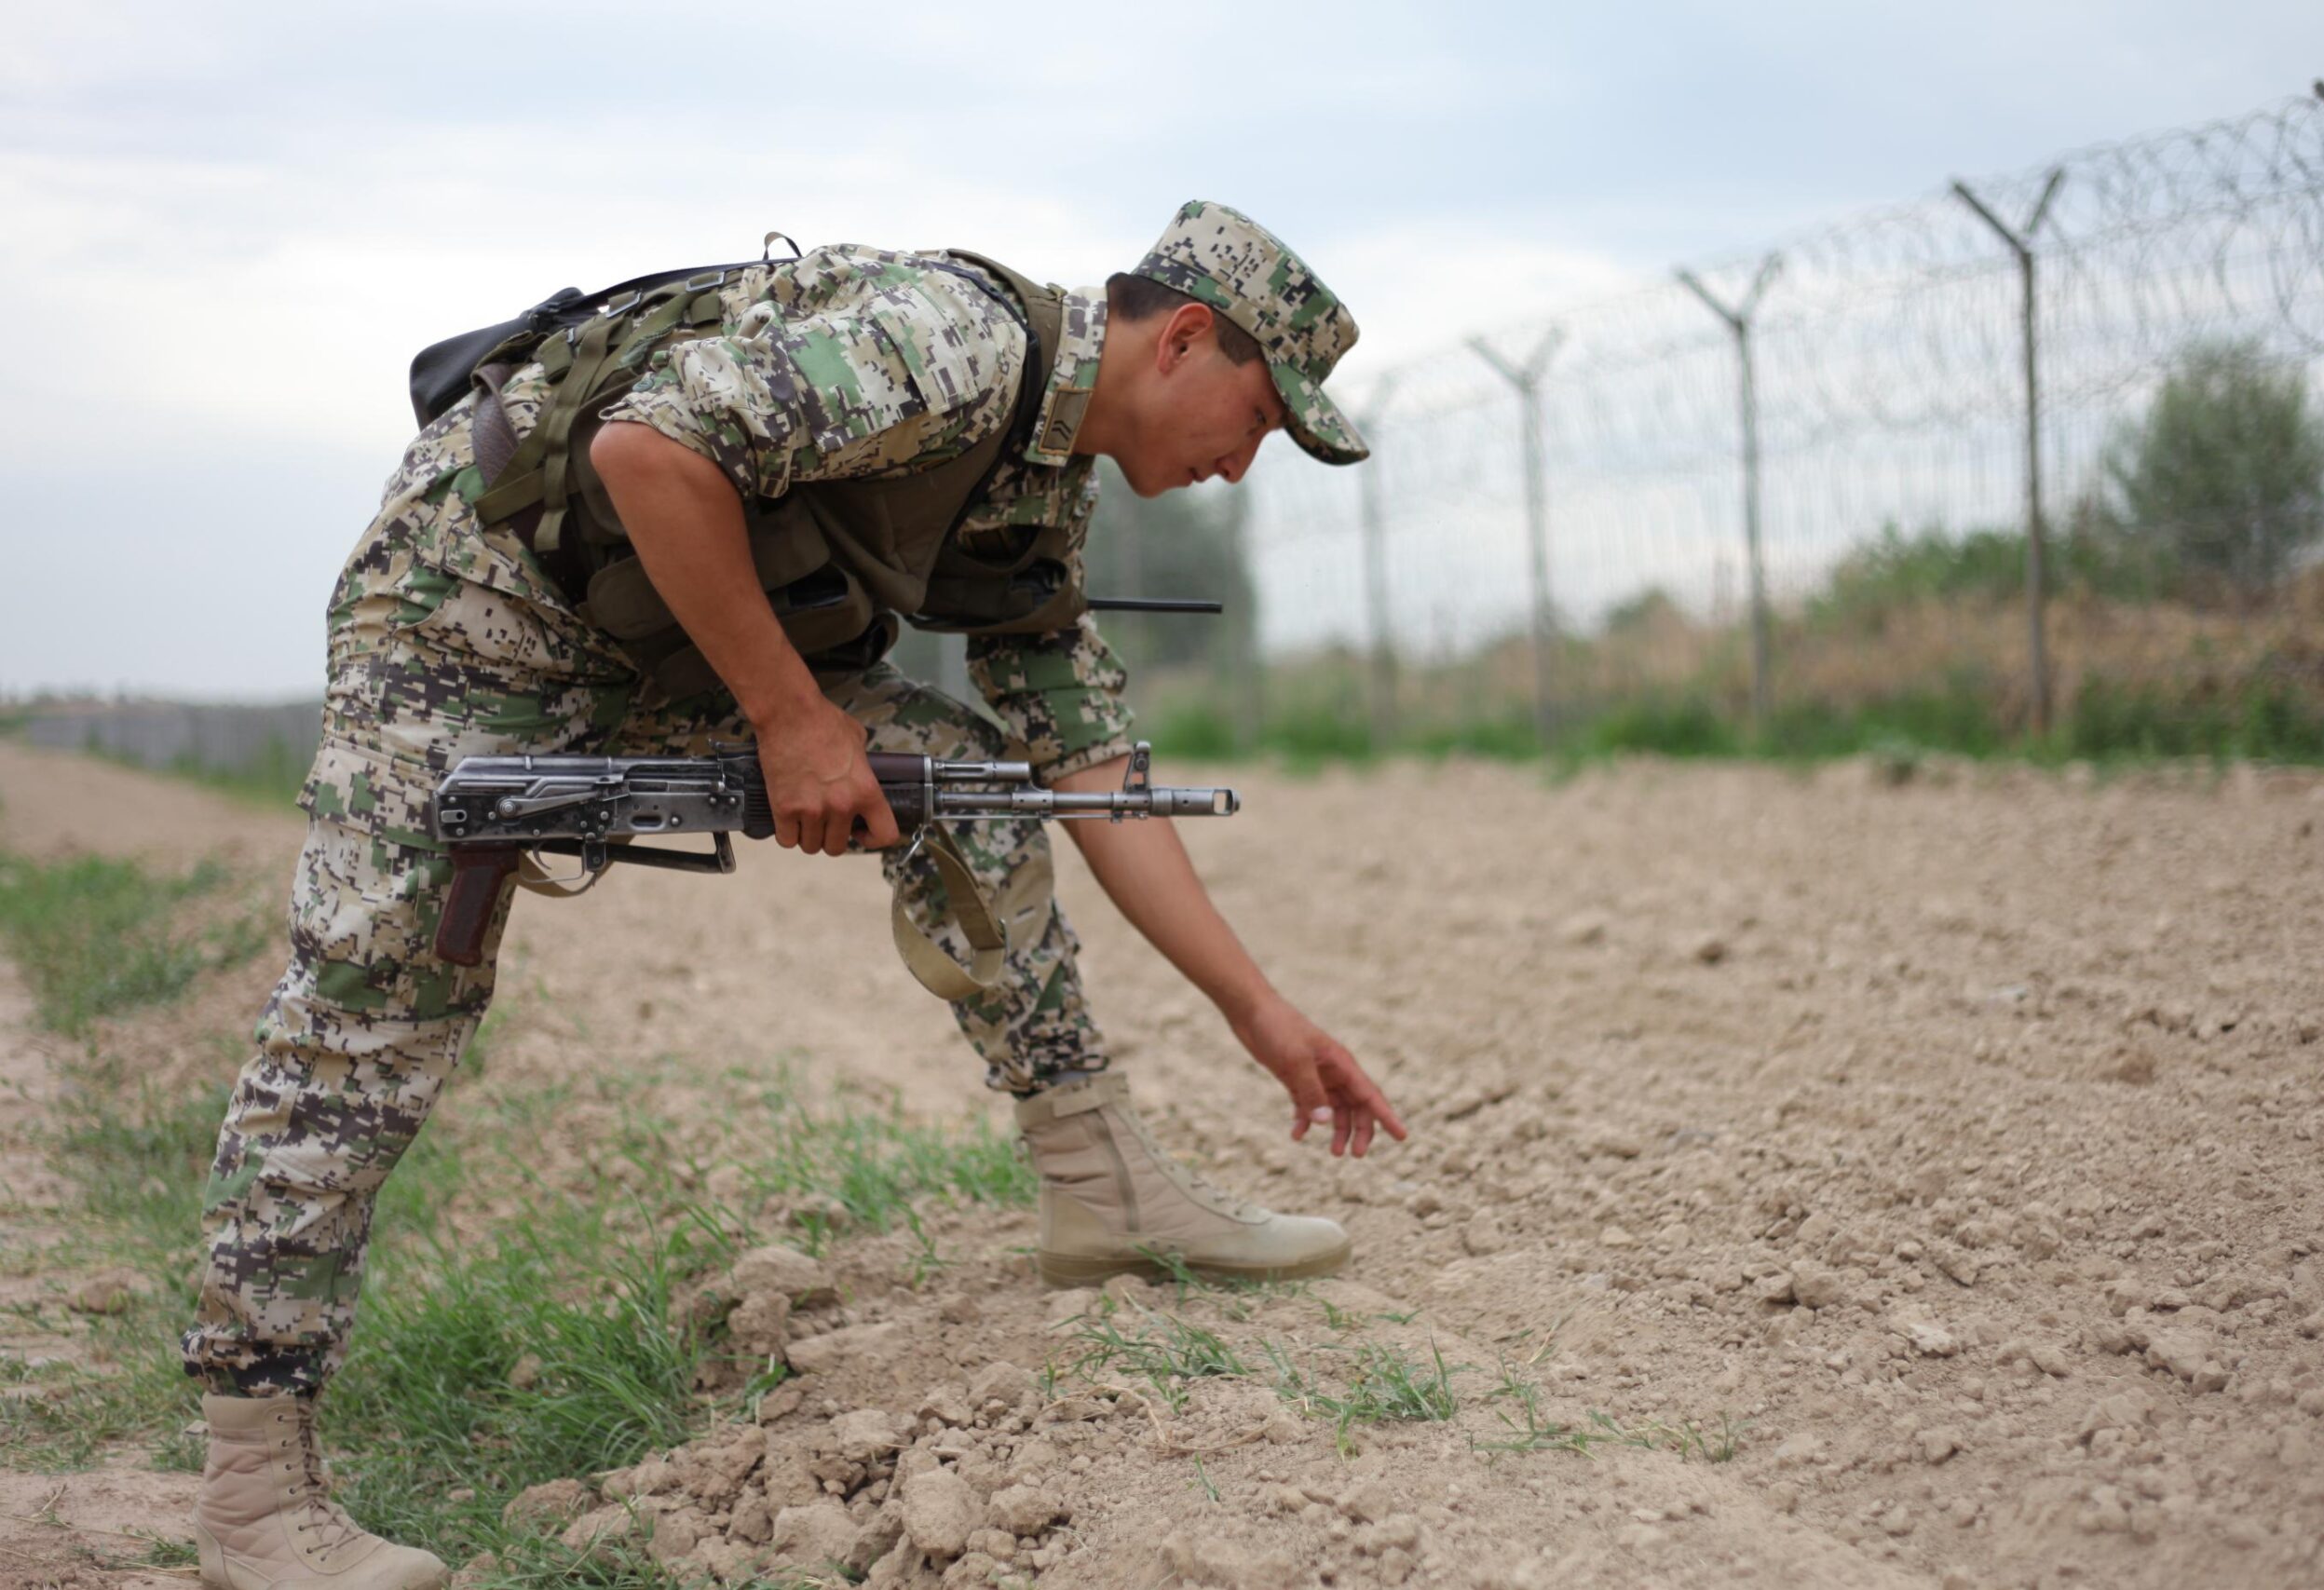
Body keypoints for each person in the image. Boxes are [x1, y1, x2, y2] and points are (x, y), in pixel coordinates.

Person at [181, 200, 1407, 1590]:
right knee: (376, 1013)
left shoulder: (1039, 486)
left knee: (967, 785)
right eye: (1259, 417)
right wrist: (790, 719)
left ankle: (1099, 1184)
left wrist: (1259, 1010)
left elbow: (1090, 770)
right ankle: (250, 1496)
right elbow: (647, 448)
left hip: (661, 642)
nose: (1244, 466)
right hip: (465, 621)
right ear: (1183, 337)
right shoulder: (948, 346)